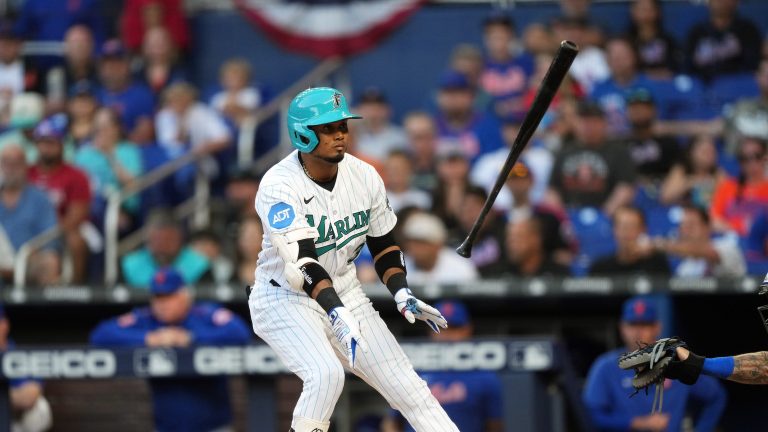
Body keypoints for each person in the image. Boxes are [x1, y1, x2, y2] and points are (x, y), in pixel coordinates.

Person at [250, 87, 459, 432]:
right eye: (328, 129)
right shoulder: (278, 185)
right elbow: (303, 264)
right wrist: (334, 309)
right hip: (285, 297)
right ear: (303, 133)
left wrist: (401, 291)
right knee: (325, 375)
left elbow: (384, 245)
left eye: (342, 127)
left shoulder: (365, 175)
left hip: (345, 290)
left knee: (410, 389)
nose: (340, 136)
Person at [90, 268, 250, 432]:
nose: (162, 305)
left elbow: (239, 332)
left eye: (169, 297)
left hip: (213, 426)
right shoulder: (147, 319)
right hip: (166, 427)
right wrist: (148, 339)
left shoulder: (204, 314)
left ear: (184, 296)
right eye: (158, 298)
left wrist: (190, 338)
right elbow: (101, 335)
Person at [583, 296, 726, 432]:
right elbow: (592, 416)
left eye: (645, 324)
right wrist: (637, 423)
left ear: (657, 327)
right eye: (632, 325)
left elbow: (715, 396)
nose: (638, 331)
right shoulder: (606, 366)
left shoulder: (676, 363)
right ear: (622, 328)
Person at [382, 300, 504, 432]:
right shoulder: (413, 370)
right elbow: (391, 423)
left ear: (467, 329)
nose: (447, 335)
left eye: (454, 328)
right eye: (440, 327)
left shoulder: (484, 376)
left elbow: (495, 426)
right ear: (430, 330)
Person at [28, 116, 92, 283]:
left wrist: (47, 235)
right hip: (28, 230)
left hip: (60, 230)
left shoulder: (76, 175)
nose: (46, 147)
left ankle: (74, 286)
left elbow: (76, 216)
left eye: (51, 142)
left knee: (75, 240)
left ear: (62, 144)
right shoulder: (27, 174)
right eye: (42, 142)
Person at [546, 101, 637, 216]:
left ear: (603, 123)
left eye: (593, 121)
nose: (588, 126)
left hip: (608, 213)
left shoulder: (618, 151)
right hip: (570, 212)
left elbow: (626, 187)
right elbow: (552, 190)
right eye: (584, 121)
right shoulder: (565, 150)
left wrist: (604, 215)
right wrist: (561, 215)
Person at [0, 145, 60, 286]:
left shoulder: (40, 199)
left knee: (49, 261)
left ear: (26, 166)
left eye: (16, 163)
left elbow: (50, 237)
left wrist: (31, 252)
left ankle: (46, 307)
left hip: (28, 260)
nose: (11, 168)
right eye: (6, 163)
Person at [121, 209, 210, 289]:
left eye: (168, 240)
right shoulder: (130, 265)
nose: (162, 246)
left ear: (180, 238)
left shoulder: (199, 266)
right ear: (147, 238)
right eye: (157, 240)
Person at [0, 304, 53, 432]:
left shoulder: (20, 356)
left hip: (14, 421)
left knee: (40, 408)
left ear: (5, 325)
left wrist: (4, 395)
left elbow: (29, 397)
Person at [653, 205, 745, 277]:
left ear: (707, 227)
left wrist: (662, 245)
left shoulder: (726, 246)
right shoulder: (685, 268)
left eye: (691, 225)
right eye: (683, 227)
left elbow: (708, 253)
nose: (687, 231)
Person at [95, 39, 156, 145]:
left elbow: (145, 135)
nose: (112, 68)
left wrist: (117, 145)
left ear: (127, 65)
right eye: (108, 64)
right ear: (101, 68)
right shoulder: (95, 95)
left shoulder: (142, 95)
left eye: (117, 63)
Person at [684, 0, 762, 81]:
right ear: (709, 2)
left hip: (738, 87)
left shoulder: (748, 30)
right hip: (703, 89)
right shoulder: (696, 32)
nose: (723, 2)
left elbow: (752, 67)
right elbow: (687, 69)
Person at [478, 12, 535, 121]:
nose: (498, 37)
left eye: (503, 32)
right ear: (485, 38)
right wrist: (495, 106)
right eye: (492, 33)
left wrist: (519, 103)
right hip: (491, 124)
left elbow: (535, 92)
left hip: (522, 122)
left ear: (511, 35)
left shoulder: (526, 62)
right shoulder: (479, 65)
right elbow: (476, 102)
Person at [710, 136, 768, 236]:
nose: (751, 162)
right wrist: (740, 228)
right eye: (745, 158)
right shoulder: (727, 186)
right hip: (730, 240)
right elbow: (714, 220)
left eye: (757, 156)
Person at [589, 205, 670, 276]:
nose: (626, 233)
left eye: (632, 227)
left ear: (643, 230)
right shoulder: (600, 268)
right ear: (614, 230)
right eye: (623, 227)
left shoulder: (657, 265)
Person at [402, 211, 479, 285]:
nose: (414, 248)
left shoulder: (460, 266)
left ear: (438, 244)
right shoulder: (399, 267)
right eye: (412, 242)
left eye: (421, 242)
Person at [660, 134, 725, 208]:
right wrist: (693, 182)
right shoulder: (682, 169)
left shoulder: (718, 172)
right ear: (692, 153)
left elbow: (728, 196)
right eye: (705, 152)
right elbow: (665, 197)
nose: (709, 156)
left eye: (712, 152)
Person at [351, 87, 408, 162]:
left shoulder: (399, 137)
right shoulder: (353, 138)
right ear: (359, 110)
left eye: (377, 108)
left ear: (387, 110)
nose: (372, 114)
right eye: (368, 108)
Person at [626, 0, 680, 78]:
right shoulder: (626, 42)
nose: (646, 14)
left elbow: (672, 70)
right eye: (642, 9)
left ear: (657, 11)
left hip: (662, 85)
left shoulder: (668, 41)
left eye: (649, 9)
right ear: (633, 12)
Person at [505, 216, 570, 277]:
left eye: (517, 238)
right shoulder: (501, 273)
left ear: (536, 239)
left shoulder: (558, 274)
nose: (511, 244)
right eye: (509, 239)